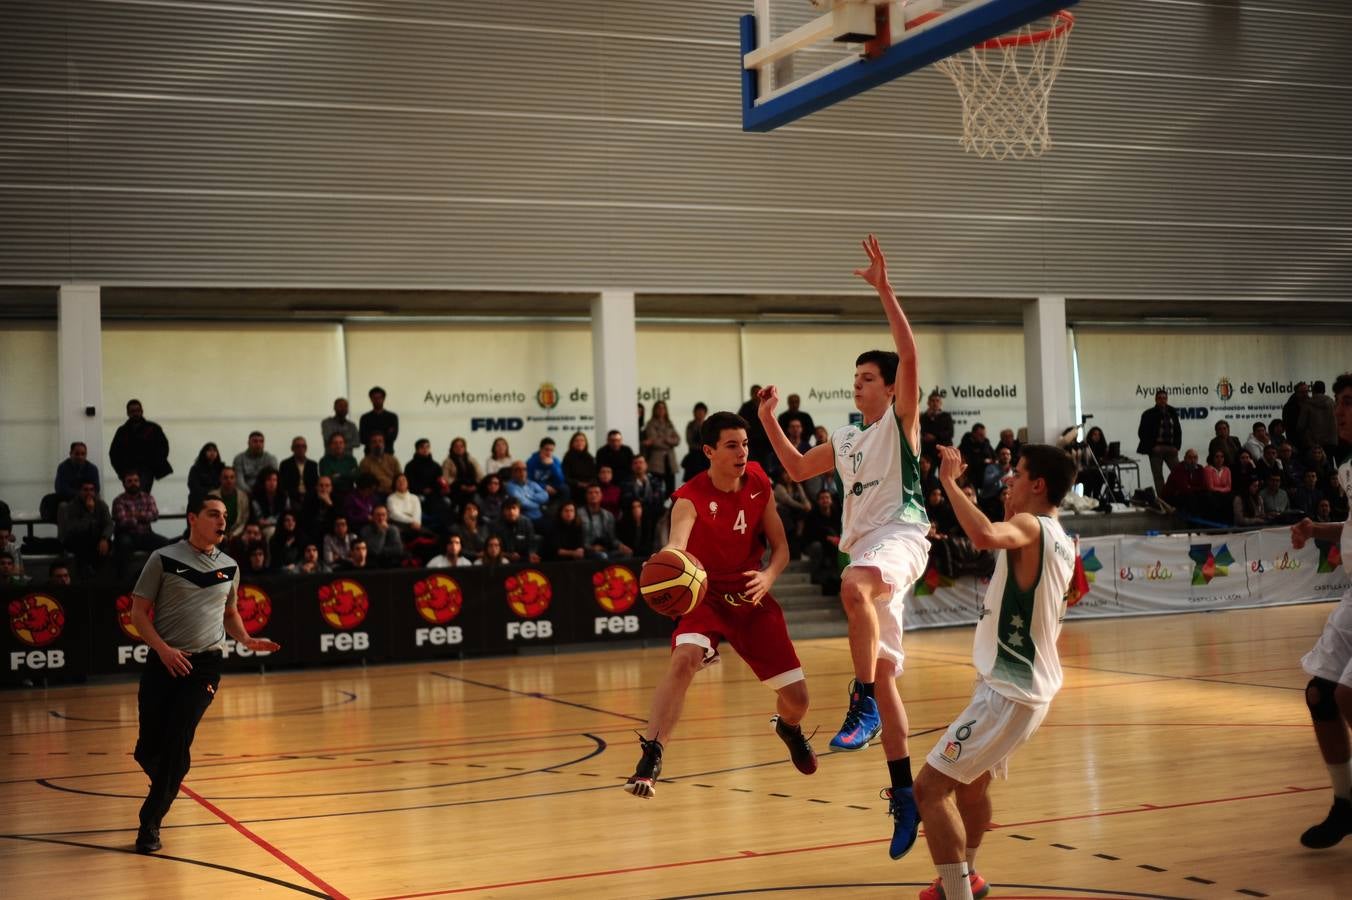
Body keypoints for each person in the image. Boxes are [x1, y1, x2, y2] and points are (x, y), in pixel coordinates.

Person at [757, 235, 929, 859]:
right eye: (854, 378)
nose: (858, 386)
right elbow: (800, 470)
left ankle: (857, 702)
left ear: (890, 389)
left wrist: (885, 289)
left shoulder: (899, 424)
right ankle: (904, 795)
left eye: (867, 378)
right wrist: (768, 421)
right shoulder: (850, 439)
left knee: (853, 587)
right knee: (887, 677)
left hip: (902, 536)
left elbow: (909, 353)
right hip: (864, 545)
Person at [913, 444, 1078, 900]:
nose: (1009, 479)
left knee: (928, 789)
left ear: (1038, 484)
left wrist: (947, 482)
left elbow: (983, 535)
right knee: (970, 787)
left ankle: (957, 891)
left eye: (1017, 474)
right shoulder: (1060, 536)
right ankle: (968, 875)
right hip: (1018, 688)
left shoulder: (1031, 526)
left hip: (1009, 691)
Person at [624, 411, 816, 799]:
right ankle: (651, 755)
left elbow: (780, 548)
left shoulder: (760, 482)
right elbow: (676, 544)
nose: (742, 452)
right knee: (684, 660)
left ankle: (789, 728)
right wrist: (666, 560)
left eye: (745, 444)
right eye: (732, 445)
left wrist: (768, 576)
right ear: (709, 451)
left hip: (750, 592)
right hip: (705, 595)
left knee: (799, 701)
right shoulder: (689, 498)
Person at [126, 494, 280, 854]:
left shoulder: (230, 566)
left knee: (179, 736)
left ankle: (150, 823)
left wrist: (244, 638)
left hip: (206, 665)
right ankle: (167, 778)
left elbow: (229, 612)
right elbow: (137, 614)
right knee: (149, 749)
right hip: (163, 662)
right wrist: (163, 651)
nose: (221, 520)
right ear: (192, 518)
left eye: (225, 515)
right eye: (214, 514)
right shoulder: (162, 558)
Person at [1289, 371, 1352, 850]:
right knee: (1320, 695)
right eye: (1340, 404)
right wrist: (1318, 529)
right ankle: (1345, 804)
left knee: (1349, 696)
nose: (1341, 412)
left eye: (1349, 403)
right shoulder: (1347, 464)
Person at [109, 399, 172, 493]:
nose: (135, 413)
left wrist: (155, 464)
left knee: (142, 495)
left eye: (137, 410)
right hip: (128, 470)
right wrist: (121, 472)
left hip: (147, 469)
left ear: (142, 411)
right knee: (131, 496)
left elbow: (163, 448)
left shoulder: (153, 428)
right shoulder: (122, 431)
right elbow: (114, 453)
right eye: (132, 411)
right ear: (128, 413)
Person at [112, 472, 172, 566]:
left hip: (145, 534)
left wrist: (133, 515)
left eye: (136, 481)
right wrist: (143, 517)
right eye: (130, 481)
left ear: (140, 482)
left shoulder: (147, 497)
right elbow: (122, 521)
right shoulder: (119, 500)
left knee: (165, 543)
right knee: (123, 545)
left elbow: (154, 515)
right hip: (126, 535)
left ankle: (162, 575)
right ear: (124, 484)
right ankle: (123, 578)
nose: (133, 483)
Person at [57, 482, 114, 576]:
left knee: (108, 545)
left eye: (91, 490)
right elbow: (75, 529)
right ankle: (86, 574)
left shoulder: (101, 504)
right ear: (79, 491)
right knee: (84, 542)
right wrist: (90, 513)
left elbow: (109, 524)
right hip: (75, 539)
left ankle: (101, 575)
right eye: (86, 490)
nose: (89, 493)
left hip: (96, 539)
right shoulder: (71, 506)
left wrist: (104, 538)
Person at [1136, 390, 1182, 498]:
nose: (1162, 400)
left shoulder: (1172, 412)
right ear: (1156, 400)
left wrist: (1177, 446)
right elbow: (1142, 433)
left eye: (1164, 398)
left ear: (1167, 399)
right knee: (1158, 477)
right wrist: (1152, 447)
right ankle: (1163, 500)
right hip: (1156, 449)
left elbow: (1178, 430)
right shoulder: (1148, 414)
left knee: (1179, 474)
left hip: (1171, 449)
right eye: (1160, 398)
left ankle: (1178, 498)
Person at [577, 484, 629, 559]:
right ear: (586, 496)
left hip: (605, 548)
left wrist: (620, 545)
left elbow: (612, 538)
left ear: (601, 495)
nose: (593, 495)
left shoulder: (608, 515)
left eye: (596, 492)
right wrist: (591, 548)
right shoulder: (579, 514)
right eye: (590, 493)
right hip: (586, 550)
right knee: (602, 556)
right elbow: (577, 538)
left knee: (627, 553)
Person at [641, 400, 682, 495]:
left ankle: (670, 509)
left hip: (670, 461)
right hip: (656, 462)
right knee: (657, 490)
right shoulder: (650, 423)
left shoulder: (669, 423)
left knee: (671, 490)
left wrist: (665, 439)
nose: (661, 410)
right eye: (658, 408)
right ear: (654, 410)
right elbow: (654, 442)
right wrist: (669, 441)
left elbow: (678, 440)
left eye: (663, 408)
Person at [443, 437, 483, 511]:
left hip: (473, 487)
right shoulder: (448, 462)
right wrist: (461, 486)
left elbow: (480, 475)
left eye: (461, 446)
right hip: (456, 488)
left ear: (465, 448)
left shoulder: (471, 460)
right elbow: (446, 478)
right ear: (452, 448)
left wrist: (475, 486)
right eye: (456, 446)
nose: (459, 448)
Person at [494, 499, 539, 564]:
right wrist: (508, 555)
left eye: (514, 508)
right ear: (503, 511)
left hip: (524, 557)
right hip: (503, 558)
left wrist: (531, 554)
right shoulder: (497, 525)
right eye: (508, 509)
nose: (511, 511)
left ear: (519, 510)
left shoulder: (526, 522)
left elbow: (531, 543)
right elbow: (493, 547)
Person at [526, 437, 569, 504]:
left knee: (565, 488)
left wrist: (552, 466)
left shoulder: (555, 461)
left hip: (552, 485)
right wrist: (544, 486)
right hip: (537, 486)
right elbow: (528, 480)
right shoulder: (531, 461)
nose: (549, 453)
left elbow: (561, 480)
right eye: (546, 450)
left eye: (551, 450)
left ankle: (562, 510)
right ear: (540, 449)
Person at [1300, 380, 1338, 456]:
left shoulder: (1307, 404)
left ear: (1313, 390)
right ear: (1324, 390)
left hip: (1313, 443)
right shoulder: (1332, 403)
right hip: (1331, 441)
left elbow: (1301, 425)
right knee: (1329, 464)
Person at [277, 436, 318, 506]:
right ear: (292, 448)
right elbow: (283, 485)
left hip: (310, 497)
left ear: (306, 448)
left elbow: (315, 484)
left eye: (303, 446)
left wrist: (307, 497)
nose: (301, 449)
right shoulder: (285, 464)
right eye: (297, 446)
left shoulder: (313, 465)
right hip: (292, 498)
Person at [249, 467, 289, 538]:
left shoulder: (284, 496)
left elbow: (286, 515)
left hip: (281, 525)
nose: (272, 483)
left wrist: (270, 522)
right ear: (263, 482)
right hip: (261, 527)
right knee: (270, 531)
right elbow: (258, 518)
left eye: (274, 480)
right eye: (269, 480)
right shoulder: (256, 497)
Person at [359, 386, 399, 456]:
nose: (377, 400)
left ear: (383, 399)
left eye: (379, 398)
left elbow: (393, 437)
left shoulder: (392, 417)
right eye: (374, 398)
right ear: (371, 399)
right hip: (369, 455)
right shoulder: (365, 418)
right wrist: (385, 433)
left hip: (388, 454)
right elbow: (362, 438)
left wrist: (372, 436)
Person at [919, 392, 955, 463]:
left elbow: (950, 433)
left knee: (945, 473)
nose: (935, 403)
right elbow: (920, 431)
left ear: (941, 403)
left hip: (943, 450)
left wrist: (935, 437)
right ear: (928, 403)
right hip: (928, 452)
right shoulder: (923, 417)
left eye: (937, 401)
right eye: (932, 401)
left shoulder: (946, 416)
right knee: (928, 473)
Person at [562, 431, 598, 501]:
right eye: (577, 441)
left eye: (582, 440)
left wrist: (589, 484)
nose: (580, 443)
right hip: (574, 486)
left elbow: (594, 475)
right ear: (572, 443)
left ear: (585, 443)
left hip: (588, 486)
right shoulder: (568, 457)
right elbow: (565, 477)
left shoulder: (590, 458)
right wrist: (578, 484)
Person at [386, 473, 424, 537]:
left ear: (407, 483)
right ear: (395, 484)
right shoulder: (391, 498)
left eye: (404, 480)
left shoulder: (414, 497)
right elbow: (394, 515)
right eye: (399, 481)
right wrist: (412, 521)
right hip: (399, 523)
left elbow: (417, 513)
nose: (401, 483)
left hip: (415, 524)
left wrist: (417, 522)